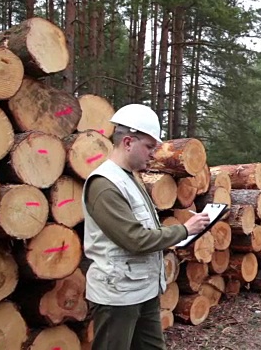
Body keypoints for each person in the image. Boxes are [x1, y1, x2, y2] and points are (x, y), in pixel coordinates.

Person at [82, 104, 211, 350]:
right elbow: (135, 239)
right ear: (128, 142)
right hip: (118, 295)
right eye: (149, 147)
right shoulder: (105, 184)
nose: (153, 154)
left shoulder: (131, 177)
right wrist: (184, 230)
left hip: (144, 288)